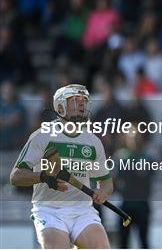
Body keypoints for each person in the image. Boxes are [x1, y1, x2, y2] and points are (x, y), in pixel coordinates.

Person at [9, 84, 113, 249]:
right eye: (75, 100)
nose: (82, 104)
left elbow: (106, 182)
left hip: (82, 211)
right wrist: (43, 177)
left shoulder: (93, 141)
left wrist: (103, 192)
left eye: (84, 101)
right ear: (60, 106)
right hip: (49, 210)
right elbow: (16, 176)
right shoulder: (42, 136)